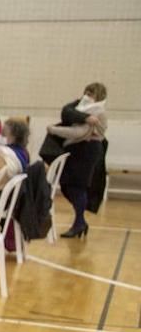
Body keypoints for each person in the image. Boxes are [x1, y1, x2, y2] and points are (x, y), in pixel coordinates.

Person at [47, 83, 108, 238]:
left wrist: (54, 130)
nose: (87, 95)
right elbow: (67, 112)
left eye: (91, 93)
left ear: (99, 95)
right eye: (86, 91)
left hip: (87, 150)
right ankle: (80, 221)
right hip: (77, 150)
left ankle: (79, 222)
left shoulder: (97, 111)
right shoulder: (83, 110)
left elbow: (78, 133)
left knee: (77, 186)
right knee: (67, 185)